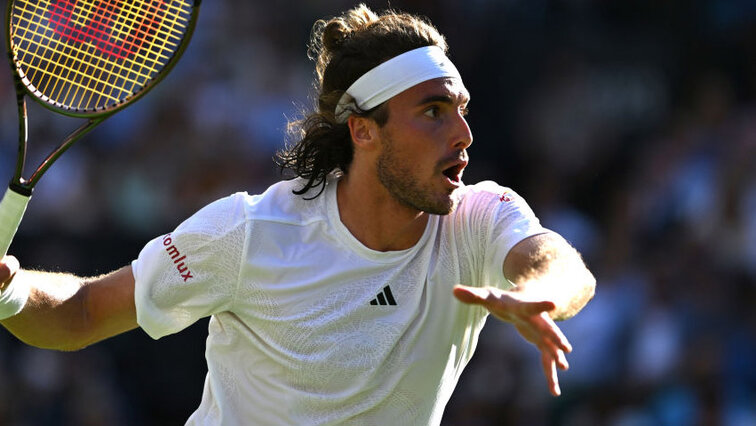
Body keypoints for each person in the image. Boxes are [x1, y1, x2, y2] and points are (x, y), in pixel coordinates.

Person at [0, 4, 595, 425]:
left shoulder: (476, 219)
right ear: (363, 130)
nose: (464, 133)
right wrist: (11, 291)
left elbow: (558, 263)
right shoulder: (248, 231)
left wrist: (537, 294)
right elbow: (81, 313)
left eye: (461, 110)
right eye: (434, 112)